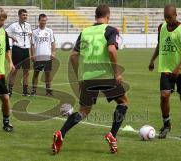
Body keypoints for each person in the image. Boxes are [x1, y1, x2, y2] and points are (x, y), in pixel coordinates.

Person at [52, 5, 128, 154]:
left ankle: (61, 133)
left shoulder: (85, 31)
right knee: (123, 102)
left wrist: (79, 77)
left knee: (84, 111)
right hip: (105, 75)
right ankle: (112, 135)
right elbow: (112, 49)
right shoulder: (111, 30)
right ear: (108, 16)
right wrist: (117, 73)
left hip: (87, 78)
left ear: (95, 16)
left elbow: (73, 56)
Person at [148, 4, 181, 139]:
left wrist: (179, 67)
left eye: (170, 17)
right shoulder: (161, 27)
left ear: (175, 15)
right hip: (166, 69)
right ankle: (166, 124)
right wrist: (152, 60)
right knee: (164, 96)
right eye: (165, 17)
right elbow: (160, 44)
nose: (167, 19)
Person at [6, 9, 32, 96]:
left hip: (26, 50)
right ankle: (10, 90)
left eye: (26, 15)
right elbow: (4, 32)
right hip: (17, 50)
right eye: (23, 15)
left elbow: (30, 34)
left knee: (26, 72)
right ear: (19, 16)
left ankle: (25, 91)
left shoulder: (28, 25)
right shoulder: (14, 26)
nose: (25, 17)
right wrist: (12, 37)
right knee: (14, 71)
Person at [30, 14, 56, 96]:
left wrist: (53, 53)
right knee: (36, 74)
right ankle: (33, 91)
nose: (44, 22)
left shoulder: (49, 31)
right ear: (39, 21)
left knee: (48, 74)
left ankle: (48, 91)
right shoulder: (34, 32)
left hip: (47, 56)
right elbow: (32, 45)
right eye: (42, 20)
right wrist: (32, 55)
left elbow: (53, 43)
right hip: (38, 57)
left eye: (45, 20)